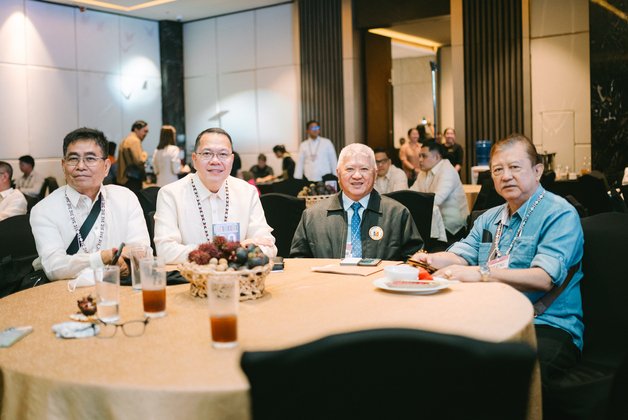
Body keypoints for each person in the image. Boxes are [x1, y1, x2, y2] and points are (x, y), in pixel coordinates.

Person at [411, 133, 583, 393]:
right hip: (491, 316)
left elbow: (544, 278)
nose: (506, 176)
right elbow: (462, 255)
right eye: (497, 170)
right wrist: (430, 259)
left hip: (546, 323)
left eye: (515, 167)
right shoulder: (489, 218)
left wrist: (481, 273)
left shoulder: (559, 214)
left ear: (537, 171)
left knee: (508, 378)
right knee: (435, 356)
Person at [30, 127, 150, 281]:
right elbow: (54, 268)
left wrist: (129, 261)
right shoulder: (44, 210)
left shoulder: (125, 198)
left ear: (106, 167)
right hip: (67, 291)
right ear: (63, 165)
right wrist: (104, 257)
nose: (80, 166)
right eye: (73, 159)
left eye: (90, 159)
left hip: (121, 288)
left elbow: (143, 250)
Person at [154, 127, 277, 264]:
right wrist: (232, 251)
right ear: (194, 159)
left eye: (223, 154)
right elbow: (165, 251)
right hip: (189, 276)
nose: (215, 161)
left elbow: (268, 246)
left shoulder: (247, 192)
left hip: (238, 276)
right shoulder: (170, 194)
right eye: (207, 153)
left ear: (231, 160)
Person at [290, 143, 423, 260]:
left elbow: (413, 261)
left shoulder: (397, 214)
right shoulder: (313, 216)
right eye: (350, 169)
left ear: (375, 174)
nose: (357, 176)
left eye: (364, 169)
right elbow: (299, 261)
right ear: (338, 173)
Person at [411, 140, 469, 242]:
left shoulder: (447, 170)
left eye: (424, 156)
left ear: (437, 157)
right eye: (419, 156)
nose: (420, 160)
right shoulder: (423, 172)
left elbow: (436, 199)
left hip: (453, 229)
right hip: (432, 224)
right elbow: (411, 193)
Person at [117, 120, 149, 191]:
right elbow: (139, 161)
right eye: (145, 131)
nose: (146, 134)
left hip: (125, 178)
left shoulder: (125, 140)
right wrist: (145, 154)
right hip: (133, 179)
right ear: (136, 129)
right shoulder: (135, 141)